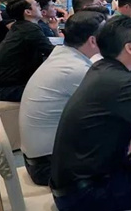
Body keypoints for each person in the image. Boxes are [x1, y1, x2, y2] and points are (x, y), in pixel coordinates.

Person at [49, 16, 131, 211]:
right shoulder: (123, 82)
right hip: (83, 194)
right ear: (129, 48)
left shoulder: (102, 69)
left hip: (72, 184)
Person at [19, 11, 106, 186]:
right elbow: (113, 104)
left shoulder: (63, 56)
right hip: (49, 167)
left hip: (40, 159)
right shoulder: (74, 69)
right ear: (93, 40)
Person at [0, 0, 55, 101]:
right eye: (36, 5)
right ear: (28, 12)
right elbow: (53, 52)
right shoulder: (29, 29)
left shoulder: (19, 26)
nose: (39, 7)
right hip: (9, 89)